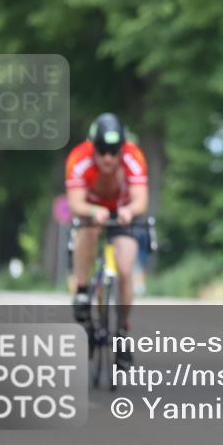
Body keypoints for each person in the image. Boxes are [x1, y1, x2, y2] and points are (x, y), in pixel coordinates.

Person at [65, 113, 149, 365]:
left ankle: (122, 330)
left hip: (123, 212)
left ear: (122, 148)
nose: (108, 158)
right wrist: (93, 211)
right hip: (92, 210)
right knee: (87, 231)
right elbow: (75, 203)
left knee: (124, 268)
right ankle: (82, 289)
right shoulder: (78, 159)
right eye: (102, 151)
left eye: (114, 152)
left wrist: (130, 211)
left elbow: (141, 199)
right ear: (93, 147)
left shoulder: (134, 157)